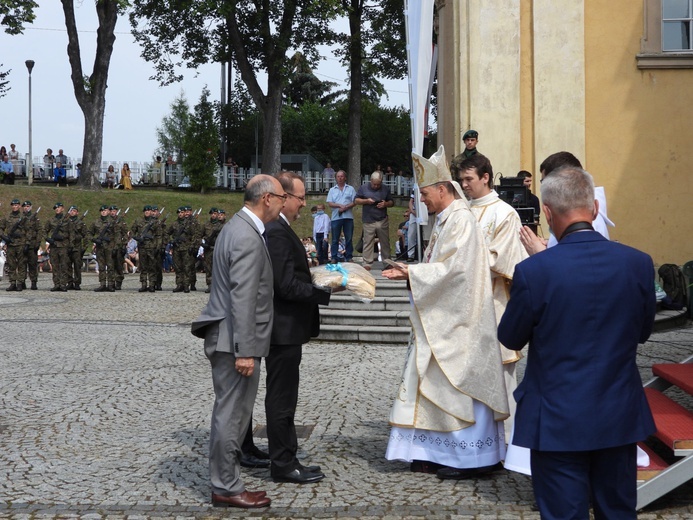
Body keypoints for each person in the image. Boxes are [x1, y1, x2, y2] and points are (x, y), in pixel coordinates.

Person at [498, 166, 656, 520]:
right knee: (618, 512)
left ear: (548, 213)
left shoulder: (536, 271)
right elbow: (643, 332)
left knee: (563, 514)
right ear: (595, 209)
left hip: (556, 417)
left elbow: (509, 336)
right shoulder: (638, 263)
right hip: (618, 411)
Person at [382, 145, 509, 480]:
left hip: (461, 323)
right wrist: (413, 273)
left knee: (459, 387)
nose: (421, 199)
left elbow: (457, 272)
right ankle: (440, 454)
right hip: (446, 316)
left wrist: (412, 274)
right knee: (438, 386)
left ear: (442, 189)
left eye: (424, 193)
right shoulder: (446, 219)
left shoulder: (461, 221)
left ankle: (474, 459)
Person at [191, 174, 286, 509]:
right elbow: (243, 298)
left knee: (230, 414)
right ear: (266, 199)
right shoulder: (246, 236)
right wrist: (246, 350)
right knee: (232, 416)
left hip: (229, 336)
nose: (284, 202)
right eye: (281, 196)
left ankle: (227, 483)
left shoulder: (237, 227)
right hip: (235, 341)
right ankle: (226, 487)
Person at [265, 172, 333, 484]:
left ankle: (287, 456)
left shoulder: (282, 229)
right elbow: (285, 286)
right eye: (300, 198)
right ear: (283, 197)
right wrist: (324, 290)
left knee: (286, 397)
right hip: (282, 330)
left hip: (288, 329)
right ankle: (282, 463)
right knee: (282, 399)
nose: (304, 204)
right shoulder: (277, 231)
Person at [455, 153, 528, 437]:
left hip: (493, 307)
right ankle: (474, 443)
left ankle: (507, 443)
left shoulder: (505, 213)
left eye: (469, 179)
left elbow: (502, 261)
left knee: (500, 379)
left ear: (486, 177)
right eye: (461, 180)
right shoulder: (462, 211)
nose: (464, 185)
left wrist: (459, 262)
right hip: (463, 308)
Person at [519, 151, 615, 256]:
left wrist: (540, 254)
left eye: (544, 182)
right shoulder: (580, 208)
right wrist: (551, 246)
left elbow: (577, 265)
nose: (543, 189)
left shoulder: (590, 221)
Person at [355, 171, 394, 271]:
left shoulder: (385, 188)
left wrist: (385, 204)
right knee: (368, 241)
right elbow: (356, 200)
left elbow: (392, 202)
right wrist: (366, 201)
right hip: (368, 219)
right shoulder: (363, 188)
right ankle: (367, 263)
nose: (376, 186)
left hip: (382, 218)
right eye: (374, 184)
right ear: (371, 181)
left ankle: (387, 262)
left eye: (378, 184)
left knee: (385, 242)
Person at [326, 170, 356, 263]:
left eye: (341, 176)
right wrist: (339, 206)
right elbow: (330, 203)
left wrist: (346, 207)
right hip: (336, 217)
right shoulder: (332, 190)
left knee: (349, 238)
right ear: (336, 178)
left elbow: (355, 202)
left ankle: (349, 256)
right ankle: (334, 257)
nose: (340, 178)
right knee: (335, 238)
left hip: (348, 217)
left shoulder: (350, 189)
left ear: (345, 177)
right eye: (338, 176)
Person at [131, 205, 162, 292]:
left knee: (152, 267)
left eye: (148, 211)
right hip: (142, 246)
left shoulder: (155, 222)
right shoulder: (138, 221)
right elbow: (132, 232)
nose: (147, 212)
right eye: (145, 211)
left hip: (152, 247)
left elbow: (159, 236)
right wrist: (137, 238)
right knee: (143, 267)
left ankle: (152, 284)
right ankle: (143, 284)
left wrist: (158, 247)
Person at [167, 206, 197, 293]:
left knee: (186, 267)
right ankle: (179, 284)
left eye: (182, 212)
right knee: (178, 267)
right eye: (179, 213)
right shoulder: (175, 224)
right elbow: (167, 233)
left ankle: (186, 285)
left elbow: (194, 235)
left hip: (186, 248)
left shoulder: (189, 224)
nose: (180, 214)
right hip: (176, 249)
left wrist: (192, 245)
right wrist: (171, 241)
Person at [1, 199, 28, 291]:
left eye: (16, 205)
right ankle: (12, 282)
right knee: (11, 264)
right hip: (11, 244)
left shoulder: (24, 217)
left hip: (21, 243)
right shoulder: (7, 217)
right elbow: (1, 228)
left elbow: (29, 231)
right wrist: (4, 237)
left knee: (21, 264)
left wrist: (27, 244)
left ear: (19, 206)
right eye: (13, 205)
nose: (14, 207)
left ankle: (20, 282)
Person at [45, 202, 71, 292]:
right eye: (56, 208)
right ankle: (56, 284)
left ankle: (63, 284)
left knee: (64, 265)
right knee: (55, 265)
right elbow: (44, 231)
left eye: (59, 208)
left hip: (63, 245)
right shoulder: (51, 220)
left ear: (62, 209)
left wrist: (69, 244)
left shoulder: (67, 220)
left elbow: (72, 233)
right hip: (54, 246)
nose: (57, 209)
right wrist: (49, 240)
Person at [90, 205, 116, 292]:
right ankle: (102, 284)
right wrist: (94, 240)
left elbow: (117, 235)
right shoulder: (96, 222)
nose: (103, 212)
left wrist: (116, 246)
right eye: (101, 211)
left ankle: (111, 284)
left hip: (109, 247)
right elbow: (89, 233)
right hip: (100, 247)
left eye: (105, 210)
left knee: (110, 266)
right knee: (101, 266)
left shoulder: (112, 222)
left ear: (108, 211)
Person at [201, 208, 224, 293]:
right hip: (208, 249)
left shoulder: (222, 225)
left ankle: (219, 286)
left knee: (219, 268)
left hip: (219, 249)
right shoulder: (206, 225)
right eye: (212, 214)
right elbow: (199, 235)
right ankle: (210, 285)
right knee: (208, 268)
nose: (213, 215)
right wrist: (202, 244)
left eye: (215, 213)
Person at [66, 205, 87, 290]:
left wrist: (84, 247)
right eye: (71, 211)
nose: (72, 212)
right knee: (67, 265)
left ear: (77, 213)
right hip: (67, 246)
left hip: (77, 247)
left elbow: (85, 235)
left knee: (77, 266)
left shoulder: (80, 223)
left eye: (74, 211)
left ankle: (77, 283)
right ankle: (69, 282)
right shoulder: (65, 222)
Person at [22, 201, 41, 290]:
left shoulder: (35, 218)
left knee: (32, 264)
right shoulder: (21, 218)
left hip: (32, 245)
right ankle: (22, 281)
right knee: (22, 264)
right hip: (21, 244)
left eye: (28, 206)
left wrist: (37, 243)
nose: (26, 208)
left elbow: (39, 231)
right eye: (25, 206)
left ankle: (33, 281)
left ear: (31, 207)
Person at [110, 205, 128, 290]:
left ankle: (119, 281)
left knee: (118, 265)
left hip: (119, 247)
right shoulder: (108, 221)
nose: (112, 212)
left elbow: (125, 234)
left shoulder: (121, 221)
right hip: (109, 247)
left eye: (114, 211)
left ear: (116, 211)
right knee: (111, 265)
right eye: (111, 211)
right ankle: (112, 282)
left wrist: (124, 245)